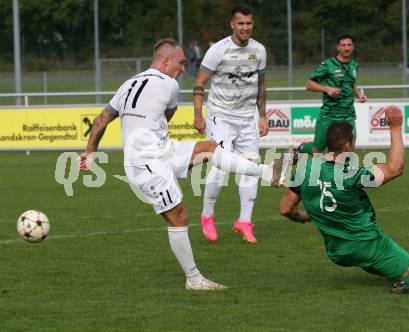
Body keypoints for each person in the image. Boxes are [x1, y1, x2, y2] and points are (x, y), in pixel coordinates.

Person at [79, 39, 287, 291]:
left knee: (209, 148)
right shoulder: (170, 85)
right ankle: (194, 279)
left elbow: (102, 119)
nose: (183, 68)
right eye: (180, 62)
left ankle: (266, 172)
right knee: (178, 217)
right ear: (164, 61)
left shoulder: (128, 83)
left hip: (162, 149)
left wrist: (90, 153)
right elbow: (167, 115)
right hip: (146, 163)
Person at [279, 105, 409, 294]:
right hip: (367, 244)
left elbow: (285, 208)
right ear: (347, 145)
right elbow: (395, 168)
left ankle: (390, 269)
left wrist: (304, 216)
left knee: (387, 265)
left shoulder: (305, 169)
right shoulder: (351, 174)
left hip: (337, 251)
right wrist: (395, 127)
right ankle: (402, 284)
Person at [193, 3, 268, 244]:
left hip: (247, 117)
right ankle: (207, 216)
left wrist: (263, 115)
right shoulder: (218, 50)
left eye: (249, 23)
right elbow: (199, 83)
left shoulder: (259, 50)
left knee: (250, 166)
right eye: (241, 23)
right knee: (221, 164)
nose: (245, 28)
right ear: (232, 24)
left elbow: (261, 85)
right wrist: (197, 114)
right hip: (221, 115)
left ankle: (244, 221)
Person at [299, 34, 367, 154]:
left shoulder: (354, 65)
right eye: (343, 45)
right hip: (329, 115)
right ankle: (302, 148)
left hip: (348, 114)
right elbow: (309, 84)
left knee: (349, 149)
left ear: (353, 46)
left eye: (349, 45)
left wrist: (359, 94)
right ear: (338, 47)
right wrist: (326, 89)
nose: (346, 48)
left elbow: (351, 84)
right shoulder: (328, 65)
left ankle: (345, 172)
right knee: (318, 150)